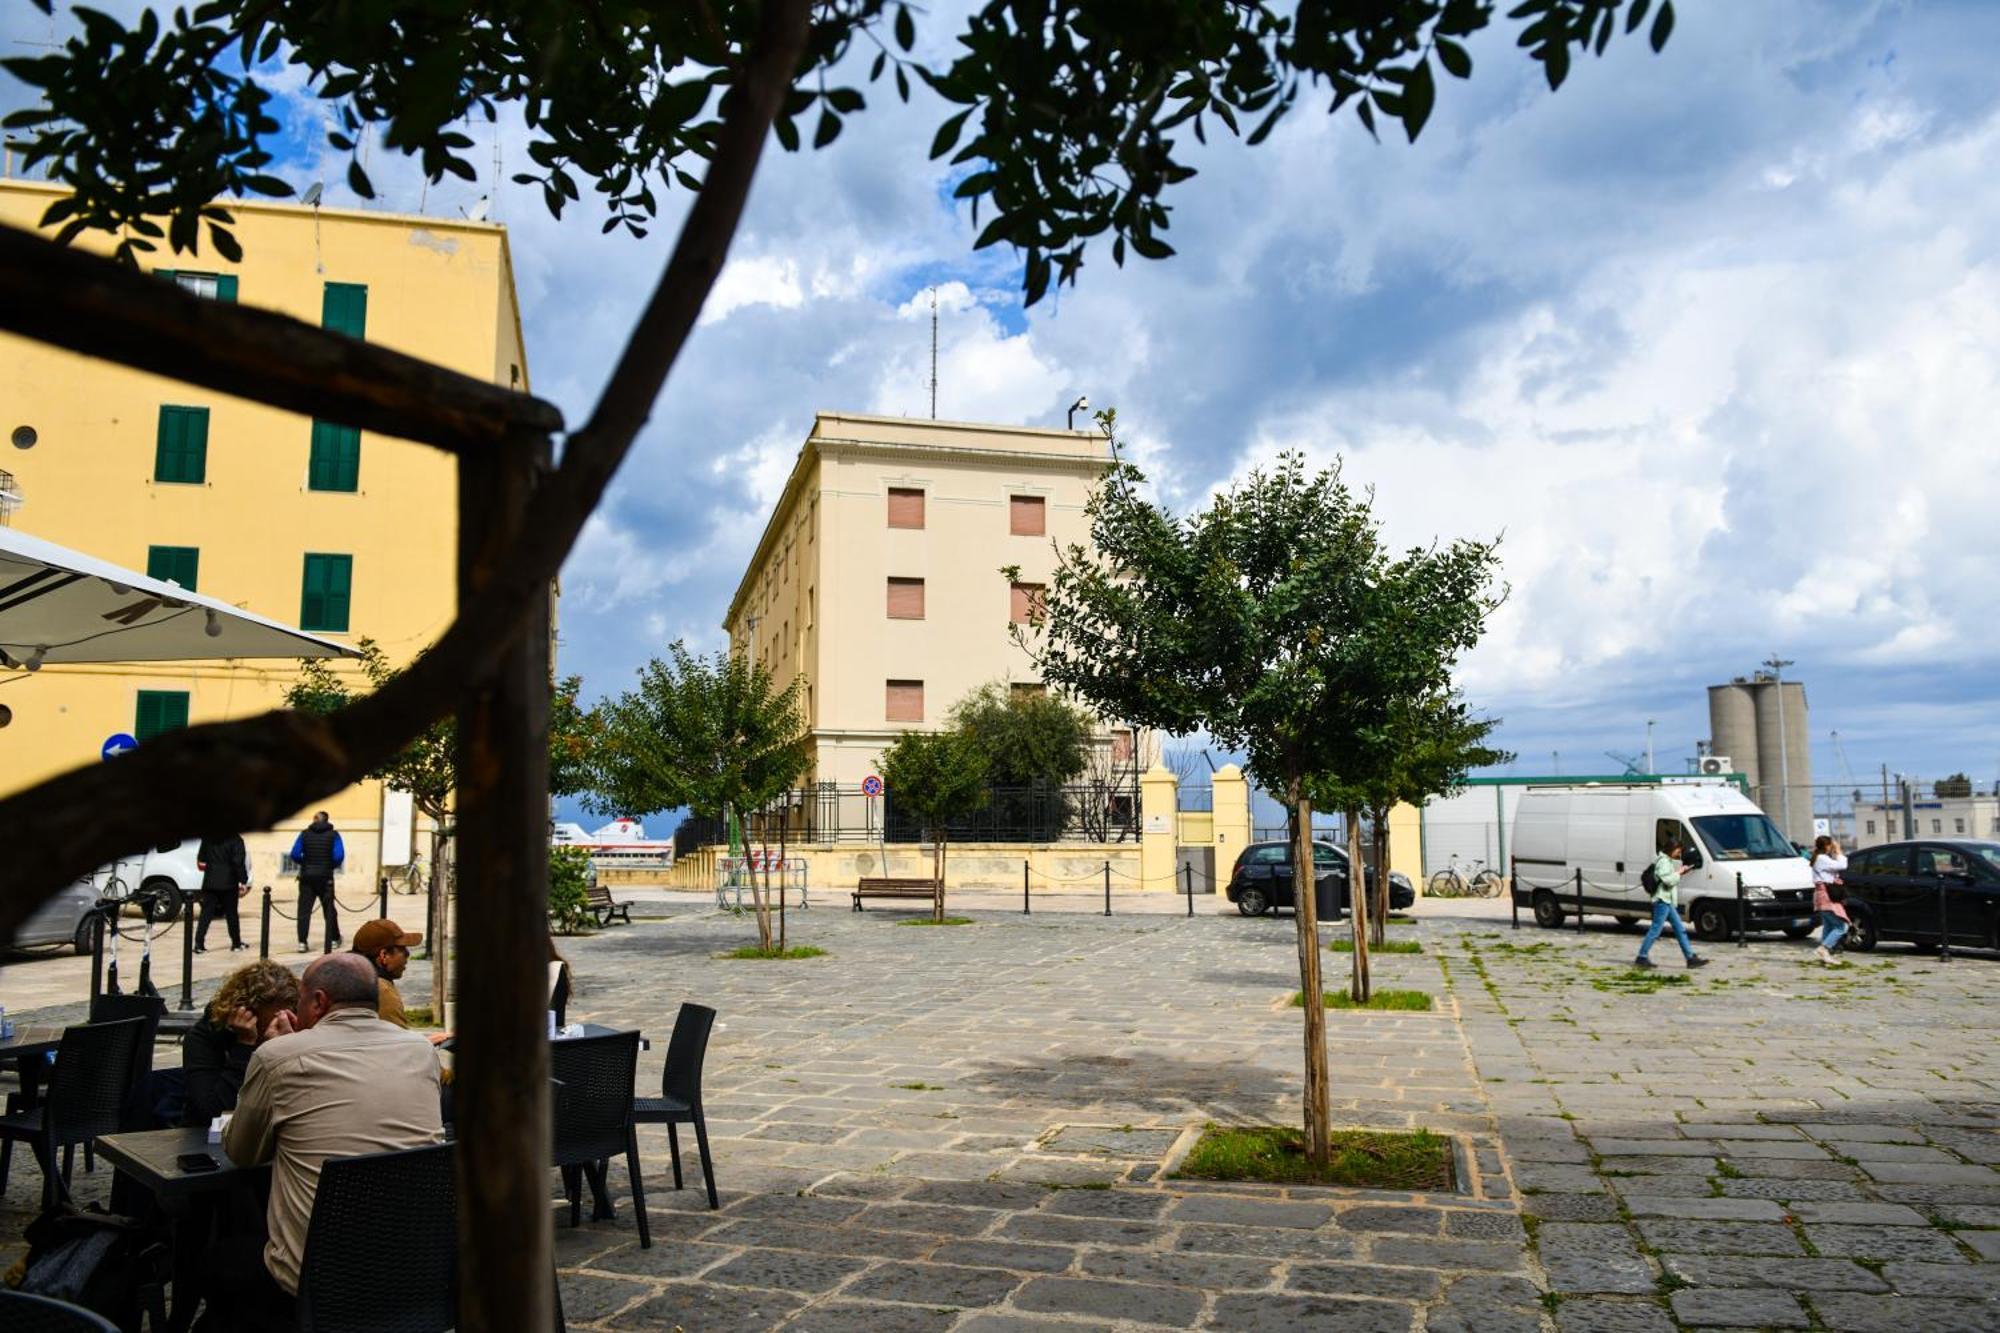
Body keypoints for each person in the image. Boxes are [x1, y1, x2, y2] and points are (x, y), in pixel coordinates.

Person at [216, 952, 442, 1325]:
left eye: (299, 1001)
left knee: (217, 1259)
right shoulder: (419, 1050)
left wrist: (279, 1050)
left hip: (320, 1279)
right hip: (417, 1267)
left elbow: (242, 1151)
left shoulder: (277, 1057)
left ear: (318, 1002)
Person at [180, 959, 300, 1127]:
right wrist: (245, 1047)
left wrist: (290, 1048)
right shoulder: (204, 1038)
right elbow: (214, 1112)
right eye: (264, 1025)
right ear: (241, 1014)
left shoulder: (298, 1029)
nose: (273, 1030)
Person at [1635, 837, 1710, 970]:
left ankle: (1690, 958)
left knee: (1680, 929)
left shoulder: (1665, 860)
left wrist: (1681, 872)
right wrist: (1679, 872)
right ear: (1671, 849)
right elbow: (1667, 880)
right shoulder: (1663, 862)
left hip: (1667, 901)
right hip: (1662, 901)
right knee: (1655, 931)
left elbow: (1669, 878)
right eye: (1678, 850)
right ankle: (1641, 956)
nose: (1679, 853)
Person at [288, 811, 346, 953]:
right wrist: (329, 865)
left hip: (307, 876)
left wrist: (305, 863)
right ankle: (333, 939)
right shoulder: (334, 835)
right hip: (325, 878)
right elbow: (339, 856)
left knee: (304, 910)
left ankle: (302, 942)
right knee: (329, 908)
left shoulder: (305, 834)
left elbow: (295, 854)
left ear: (315, 820)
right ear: (327, 820)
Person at [351, 918, 423, 1030]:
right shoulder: (381, 990)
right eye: (402, 949)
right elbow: (399, 1042)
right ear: (384, 955)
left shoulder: (346, 978)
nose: (407, 954)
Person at [194, 832, 251, 953]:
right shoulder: (236, 839)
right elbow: (238, 862)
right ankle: (236, 943)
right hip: (229, 882)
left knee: (206, 913)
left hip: (210, 880)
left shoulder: (208, 837)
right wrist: (244, 880)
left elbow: (202, 858)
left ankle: (199, 943)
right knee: (231, 914)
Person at [1811, 834, 1850, 966]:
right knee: (1842, 926)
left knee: (1828, 925)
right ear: (1827, 846)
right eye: (1831, 845)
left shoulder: (1821, 858)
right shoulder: (1821, 858)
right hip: (1826, 895)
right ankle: (1823, 949)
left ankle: (1825, 955)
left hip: (1823, 894)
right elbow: (1843, 865)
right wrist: (1838, 851)